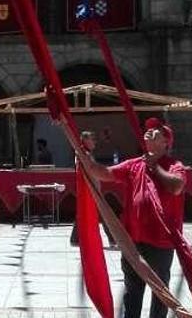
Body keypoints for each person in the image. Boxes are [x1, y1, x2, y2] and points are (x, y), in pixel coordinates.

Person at [80, 117, 185, 318]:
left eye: (157, 130)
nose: (150, 130)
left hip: (161, 243)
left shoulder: (174, 166)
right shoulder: (134, 165)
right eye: (149, 129)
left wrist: (155, 166)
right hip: (133, 242)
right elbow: (102, 173)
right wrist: (83, 154)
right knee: (132, 292)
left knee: (160, 293)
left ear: (165, 142)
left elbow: (176, 186)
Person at [70, 130, 117, 247]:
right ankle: (112, 239)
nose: (94, 142)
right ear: (85, 140)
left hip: (93, 188)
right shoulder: (83, 154)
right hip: (90, 189)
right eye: (92, 139)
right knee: (104, 213)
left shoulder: (87, 154)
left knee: (87, 213)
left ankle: (75, 238)